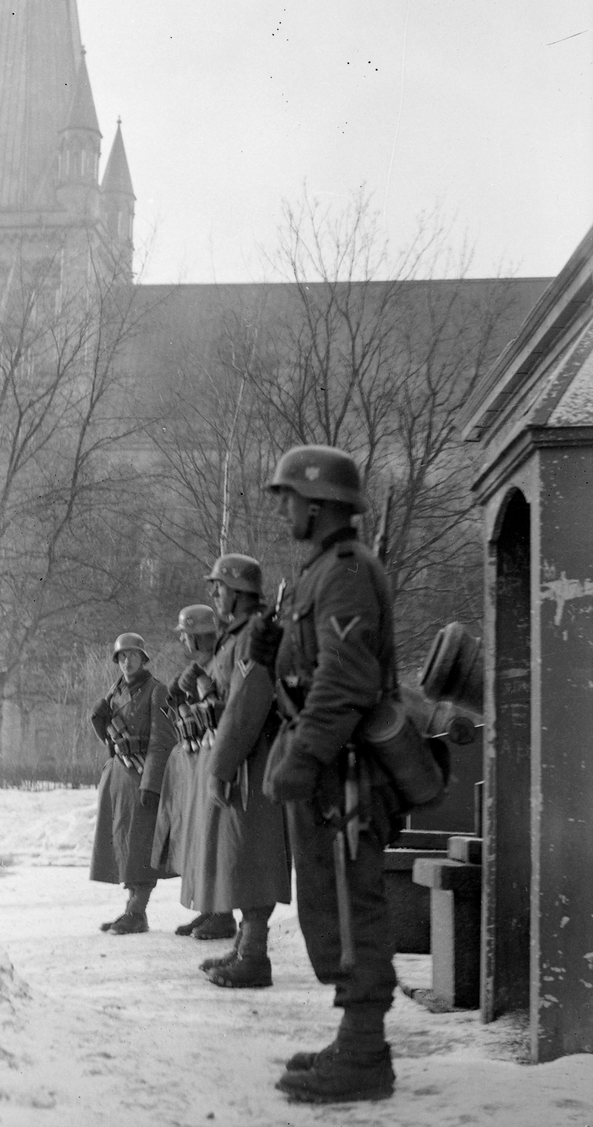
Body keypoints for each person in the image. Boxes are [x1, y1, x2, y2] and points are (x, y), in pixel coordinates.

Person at [255, 444, 398, 1104]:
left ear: (319, 504)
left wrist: (304, 756)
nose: (282, 506)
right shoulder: (320, 571)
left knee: (351, 900)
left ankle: (366, 1053)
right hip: (327, 770)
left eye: (288, 496)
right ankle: (355, 1037)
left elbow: (344, 679)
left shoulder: (344, 572)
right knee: (328, 900)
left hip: (343, 772)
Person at [179, 554, 291, 988]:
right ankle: (246, 945)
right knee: (241, 855)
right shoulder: (236, 637)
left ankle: (255, 956)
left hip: (254, 758)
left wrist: (222, 766)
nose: (213, 594)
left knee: (253, 855)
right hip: (244, 755)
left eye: (219, 586)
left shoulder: (252, 637)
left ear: (240, 591)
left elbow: (247, 707)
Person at [152, 604, 235, 941]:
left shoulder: (221, 663)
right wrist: (180, 693)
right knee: (198, 837)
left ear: (200, 637)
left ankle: (223, 913)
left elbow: (225, 710)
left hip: (216, 756)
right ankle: (209, 908)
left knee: (214, 837)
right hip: (197, 756)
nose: (183, 640)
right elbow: (177, 707)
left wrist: (201, 687)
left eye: (186, 635)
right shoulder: (202, 665)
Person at [89, 632, 177, 934]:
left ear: (143, 659)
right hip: (119, 778)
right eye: (122, 657)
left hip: (141, 779)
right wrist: (100, 724)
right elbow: (113, 743)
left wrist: (152, 784)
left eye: (133, 656)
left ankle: (138, 911)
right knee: (125, 846)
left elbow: (163, 740)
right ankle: (131, 909)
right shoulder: (115, 693)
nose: (127, 662)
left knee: (140, 846)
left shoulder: (157, 691)